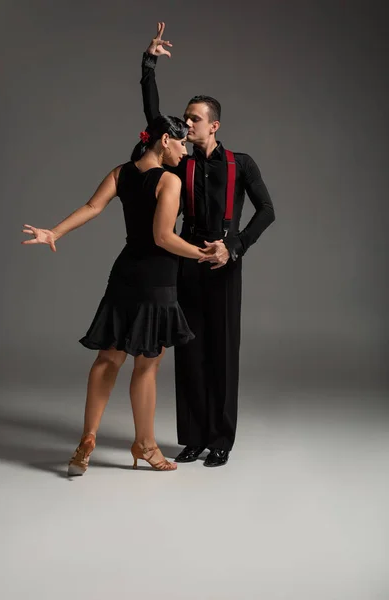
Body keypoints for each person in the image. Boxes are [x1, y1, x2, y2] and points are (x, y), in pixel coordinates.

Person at [21, 115, 214, 475]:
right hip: (157, 279)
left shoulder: (121, 172)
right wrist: (204, 253)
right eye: (181, 143)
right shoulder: (168, 180)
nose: (184, 151)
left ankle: (86, 440)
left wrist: (55, 233)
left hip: (124, 275)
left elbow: (93, 208)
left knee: (108, 360)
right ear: (164, 142)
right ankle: (145, 444)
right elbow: (163, 238)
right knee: (147, 364)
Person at [140, 23, 276, 467]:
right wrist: (149, 64)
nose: (187, 123)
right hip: (186, 260)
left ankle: (221, 439)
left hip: (225, 263)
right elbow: (155, 121)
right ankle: (194, 436)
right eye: (186, 118)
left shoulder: (242, 163)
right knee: (189, 350)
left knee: (222, 350)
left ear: (214, 125)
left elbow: (267, 212)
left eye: (194, 118)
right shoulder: (181, 164)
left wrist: (234, 248)